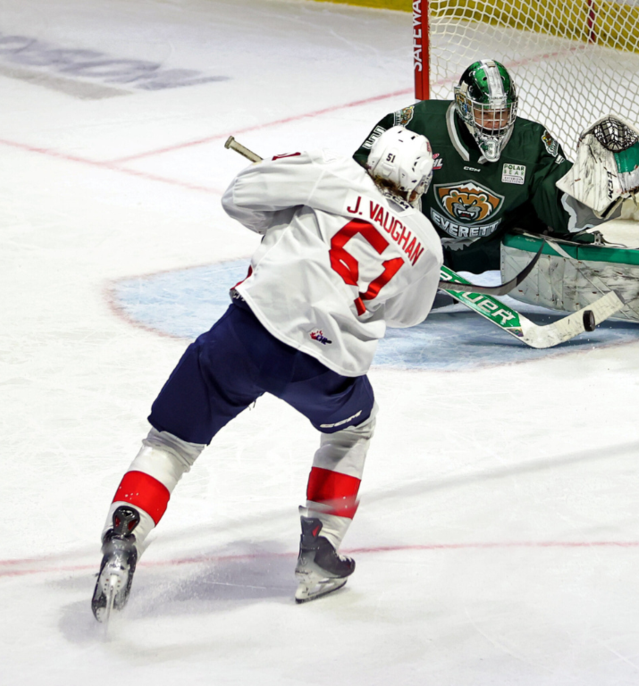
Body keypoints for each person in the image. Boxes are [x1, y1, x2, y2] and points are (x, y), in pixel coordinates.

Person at [91, 126, 442, 620]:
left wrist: (285, 226)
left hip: (248, 335)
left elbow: (239, 196)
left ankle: (125, 534)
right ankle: (320, 554)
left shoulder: (332, 171)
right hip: (325, 367)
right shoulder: (425, 244)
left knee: (170, 442)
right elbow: (409, 314)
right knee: (353, 429)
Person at [354, 60, 639, 327]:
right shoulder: (415, 122)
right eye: (486, 114)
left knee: (562, 243)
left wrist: (593, 195)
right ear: (464, 107)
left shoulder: (531, 142)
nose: (495, 125)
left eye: (502, 115)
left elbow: (558, 210)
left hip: (502, 250)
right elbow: (359, 183)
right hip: (417, 245)